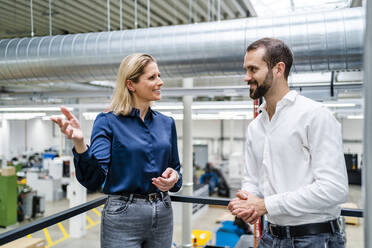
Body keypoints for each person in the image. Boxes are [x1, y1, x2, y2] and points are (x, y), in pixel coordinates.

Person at [51, 53, 182, 248]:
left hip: (162, 211)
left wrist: (175, 178)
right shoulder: (108, 122)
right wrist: (80, 143)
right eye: (152, 77)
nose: (160, 82)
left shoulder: (166, 123)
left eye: (159, 76)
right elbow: (93, 179)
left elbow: (175, 168)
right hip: (123, 215)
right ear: (131, 85)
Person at [227, 38, 348, 247]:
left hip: (314, 238)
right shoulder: (256, 127)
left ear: (278, 69)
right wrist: (248, 202)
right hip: (270, 236)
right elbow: (252, 179)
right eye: (246, 70)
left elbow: (334, 188)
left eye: (253, 69)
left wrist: (265, 205)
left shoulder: (314, 116)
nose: (247, 77)